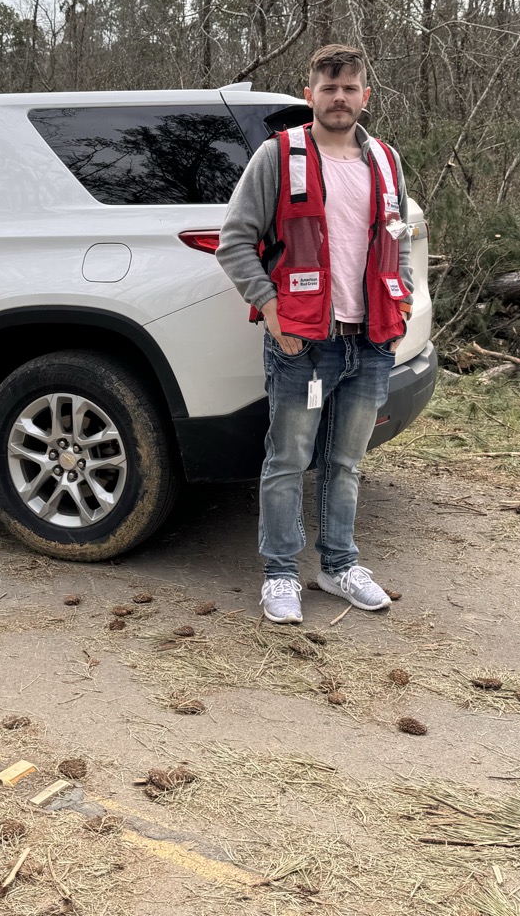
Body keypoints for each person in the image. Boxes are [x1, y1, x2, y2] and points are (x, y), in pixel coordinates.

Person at [217, 44, 414, 624]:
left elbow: (396, 239)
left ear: (364, 96)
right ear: (310, 95)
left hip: (370, 338)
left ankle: (338, 564)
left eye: (349, 88)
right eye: (328, 88)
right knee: (287, 459)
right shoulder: (279, 157)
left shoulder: (385, 161)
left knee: (346, 461)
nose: (338, 98)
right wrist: (273, 313)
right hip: (303, 342)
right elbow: (234, 241)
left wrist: (397, 310)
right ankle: (280, 574)